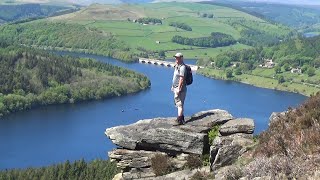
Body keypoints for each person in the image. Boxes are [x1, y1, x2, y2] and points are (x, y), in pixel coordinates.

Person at [171, 52, 187, 125]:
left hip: (180, 89)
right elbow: (175, 77)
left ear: (181, 58)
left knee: (179, 104)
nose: (176, 59)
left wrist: (178, 89)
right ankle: (182, 118)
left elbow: (181, 79)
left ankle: (179, 120)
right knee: (179, 104)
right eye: (175, 57)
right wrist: (173, 86)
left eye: (177, 57)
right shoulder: (177, 66)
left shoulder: (182, 67)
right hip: (176, 87)